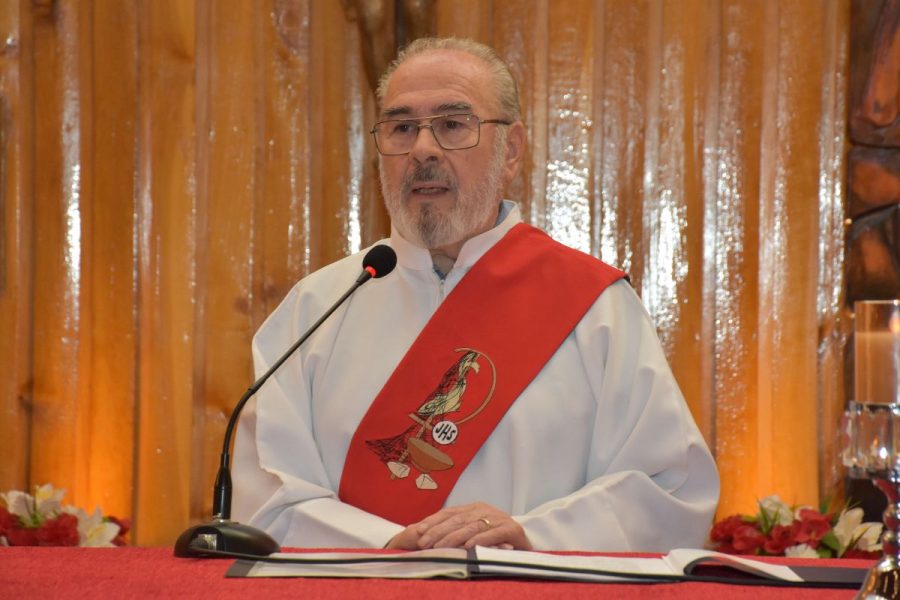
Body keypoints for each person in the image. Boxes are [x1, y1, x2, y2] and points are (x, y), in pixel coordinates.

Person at [232, 37, 719, 552]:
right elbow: (269, 497)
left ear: (511, 150)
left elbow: (670, 489)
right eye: (401, 128)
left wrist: (533, 533)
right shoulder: (318, 308)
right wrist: (395, 545)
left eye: (452, 125)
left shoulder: (595, 309)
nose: (423, 149)